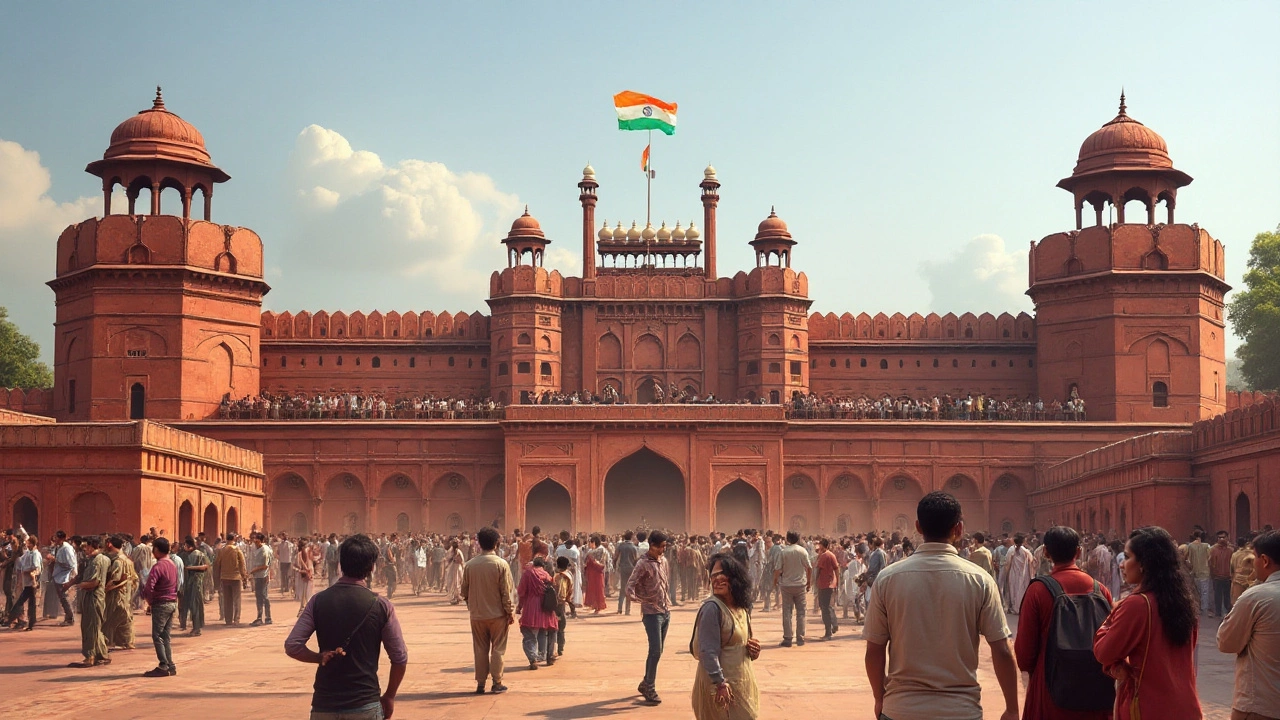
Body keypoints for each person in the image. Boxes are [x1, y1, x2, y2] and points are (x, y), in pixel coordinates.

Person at [863, 492, 1018, 720]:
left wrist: (879, 697)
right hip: (961, 710)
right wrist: (1012, 709)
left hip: (901, 709)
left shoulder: (888, 579)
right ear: (959, 529)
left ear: (918, 527)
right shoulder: (980, 580)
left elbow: (874, 650)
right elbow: (1002, 650)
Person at [285, 534, 408, 720]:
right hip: (365, 703)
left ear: (340, 565)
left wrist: (319, 657)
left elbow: (293, 645)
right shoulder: (381, 605)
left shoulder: (318, 601)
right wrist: (390, 696)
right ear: (372, 568)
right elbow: (400, 657)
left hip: (324, 705)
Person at [1094, 526, 1201, 720]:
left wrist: (1114, 613)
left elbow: (1103, 651)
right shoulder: (1183, 601)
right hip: (1185, 707)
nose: (1121, 564)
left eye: (1127, 557)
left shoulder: (1137, 604)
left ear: (1143, 564)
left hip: (1148, 708)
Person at [1014, 526, 1113, 720]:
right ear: (1078, 551)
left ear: (1046, 552)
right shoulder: (1100, 590)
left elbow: (1024, 654)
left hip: (1051, 689)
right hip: (1095, 692)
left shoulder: (1038, 591)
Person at [1217, 529, 1280, 720]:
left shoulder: (1257, 597)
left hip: (1262, 705)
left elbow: (1226, 642)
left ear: (1265, 560)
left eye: (1255, 559)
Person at [691, 552, 761, 720]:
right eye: (713, 575)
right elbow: (707, 651)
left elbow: (742, 641)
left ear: (735, 578)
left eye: (723, 574)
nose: (717, 579)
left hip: (741, 682)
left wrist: (753, 648)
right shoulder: (712, 608)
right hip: (720, 687)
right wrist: (720, 683)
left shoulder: (742, 608)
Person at [461, 527, 514, 695]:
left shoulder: (470, 565)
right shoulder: (501, 564)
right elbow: (506, 592)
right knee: (498, 648)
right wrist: (510, 611)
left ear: (479, 543)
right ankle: (497, 682)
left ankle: (481, 683)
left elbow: (464, 591)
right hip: (497, 614)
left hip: (477, 615)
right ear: (496, 543)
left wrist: (473, 606)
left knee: (480, 648)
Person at [627, 529, 672, 705]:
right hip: (652, 613)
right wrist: (641, 599)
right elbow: (630, 586)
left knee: (658, 651)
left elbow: (665, 582)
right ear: (652, 545)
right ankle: (650, 687)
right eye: (661, 547)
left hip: (665, 611)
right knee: (655, 650)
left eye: (665, 547)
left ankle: (646, 682)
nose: (663, 550)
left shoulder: (664, 561)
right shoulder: (642, 564)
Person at [71, 535, 111, 668]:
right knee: (95, 627)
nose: (85, 549)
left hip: (93, 597)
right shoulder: (104, 559)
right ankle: (102, 654)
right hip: (98, 597)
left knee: (89, 627)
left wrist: (81, 585)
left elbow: (94, 582)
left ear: (93, 546)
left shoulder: (96, 561)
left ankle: (90, 656)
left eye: (87, 546)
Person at [141, 537, 179, 677]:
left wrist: (149, 601)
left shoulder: (158, 566)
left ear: (157, 549)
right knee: (166, 636)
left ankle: (164, 665)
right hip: (172, 602)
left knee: (157, 635)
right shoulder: (172, 564)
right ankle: (170, 664)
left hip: (161, 603)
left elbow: (149, 587)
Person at [515, 556, 557, 670]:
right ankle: (543, 655)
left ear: (533, 564)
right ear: (543, 565)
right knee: (544, 630)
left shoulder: (528, 574)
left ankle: (532, 658)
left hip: (531, 605)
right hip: (545, 606)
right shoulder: (547, 575)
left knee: (528, 632)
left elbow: (521, 592)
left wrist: (519, 606)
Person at [774, 530, 812, 647]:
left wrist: (775, 581)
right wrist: (809, 582)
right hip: (800, 585)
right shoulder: (802, 551)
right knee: (801, 612)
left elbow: (778, 569)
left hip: (786, 585)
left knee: (787, 612)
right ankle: (800, 638)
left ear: (788, 539)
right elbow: (809, 568)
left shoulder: (783, 552)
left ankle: (788, 638)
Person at [102, 535, 137, 650]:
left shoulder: (118, 562)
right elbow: (135, 579)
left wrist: (104, 590)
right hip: (126, 595)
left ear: (110, 544)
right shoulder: (128, 560)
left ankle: (109, 641)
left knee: (111, 618)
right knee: (126, 618)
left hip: (117, 595)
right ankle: (127, 642)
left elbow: (115, 580)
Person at [9, 535, 41, 631]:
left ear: (33, 544)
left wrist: (26, 572)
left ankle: (11, 617)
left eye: (29, 543)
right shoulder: (29, 553)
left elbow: (36, 567)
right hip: (27, 582)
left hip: (31, 583)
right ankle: (30, 623)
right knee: (30, 603)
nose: (27, 544)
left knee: (22, 601)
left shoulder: (35, 554)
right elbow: (21, 560)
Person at [215, 532, 248, 625]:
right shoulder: (237, 550)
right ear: (234, 538)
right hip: (236, 577)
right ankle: (236, 619)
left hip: (224, 578)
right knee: (236, 599)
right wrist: (244, 577)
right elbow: (242, 564)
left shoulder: (222, 550)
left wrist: (218, 578)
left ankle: (228, 620)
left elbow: (217, 564)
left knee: (227, 600)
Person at [46, 530, 77, 626]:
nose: (55, 540)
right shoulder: (60, 547)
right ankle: (68, 617)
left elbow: (70, 564)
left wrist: (54, 559)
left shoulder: (66, 549)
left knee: (64, 597)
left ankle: (70, 618)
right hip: (59, 575)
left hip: (64, 576)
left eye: (57, 538)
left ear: (61, 538)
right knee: (62, 598)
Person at [180, 537, 209, 636]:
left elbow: (205, 566)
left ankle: (197, 628)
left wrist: (191, 568)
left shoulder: (199, 554)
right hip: (186, 584)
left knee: (195, 605)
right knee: (186, 605)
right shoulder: (183, 555)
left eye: (186, 545)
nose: (184, 547)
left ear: (190, 546)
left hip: (196, 583)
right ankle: (186, 625)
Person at [814, 537, 840, 640]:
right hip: (830, 584)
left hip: (824, 585)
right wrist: (837, 581)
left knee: (824, 609)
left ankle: (828, 632)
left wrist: (815, 582)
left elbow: (818, 570)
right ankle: (834, 623)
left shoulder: (823, 556)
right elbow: (836, 569)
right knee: (829, 607)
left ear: (821, 545)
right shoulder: (831, 555)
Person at [1004, 533, 1036, 614]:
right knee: (1022, 590)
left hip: (1013, 574)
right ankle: (1021, 607)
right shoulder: (1026, 551)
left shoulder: (1011, 550)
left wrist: (1006, 573)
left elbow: (1007, 563)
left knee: (1013, 590)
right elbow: (1032, 563)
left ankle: (1015, 607)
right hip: (1024, 574)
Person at [247, 532, 274, 626]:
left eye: (257, 540)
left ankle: (267, 617)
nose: (255, 541)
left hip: (263, 575)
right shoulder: (257, 548)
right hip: (258, 576)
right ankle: (260, 617)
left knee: (263, 596)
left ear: (261, 541)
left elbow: (265, 565)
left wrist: (253, 570)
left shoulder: (264, 550)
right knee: (259, 596)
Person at [1183, 530, 1212, 615]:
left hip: (1194, 571)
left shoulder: (1190, 546)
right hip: (1205, 571)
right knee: (1205, 592)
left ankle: (1197, 607)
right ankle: (1204, 609)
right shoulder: (1207, 546)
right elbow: (1210, 557)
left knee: (1196, 591)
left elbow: (1185, 557)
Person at [552, 555, 574, 660]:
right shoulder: (568, 574)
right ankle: (560, 648)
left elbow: (561, 593)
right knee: (561, 628)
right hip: (564, 603)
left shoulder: (560, 577)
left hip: (558, 605)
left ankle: (557, 649)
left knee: (556, 627)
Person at [1209, 531, 1235, 618]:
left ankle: (1228, 613)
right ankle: (1218, 613)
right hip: (1217, 577)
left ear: (1227, 538)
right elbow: (1210, 563)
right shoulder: (1213, 549)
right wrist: (1212, 574)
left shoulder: (1231, 550)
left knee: (1228, 596)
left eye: (1223, 537)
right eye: (1220, 537)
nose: (1221, 539)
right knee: (1217, 596)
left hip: (1228, 577)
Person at [615, 530, 638, 615]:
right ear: (631, 537)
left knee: (622, 588)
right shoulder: (634, 547)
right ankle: (627, 610)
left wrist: (615, 566)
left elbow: (615, 557)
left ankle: (619, 608)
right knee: (629, 589)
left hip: (623, 569)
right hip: (631, 569)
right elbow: (636, 559)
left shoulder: (621, 546)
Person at [583, 535, 608, 613]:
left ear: (593, 542)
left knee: (597, 589)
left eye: (590, 542)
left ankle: (597, 606)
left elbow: (586, 561)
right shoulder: (602, 550)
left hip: (595, 572)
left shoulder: (596, 551)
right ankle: (595, 605)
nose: (589, 544)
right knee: (595, 589)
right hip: (596, 572)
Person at [1231, 537, 1257, 605]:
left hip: (1237, 580)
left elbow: (1232, 568)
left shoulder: (1235, 555)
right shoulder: (1253, 554)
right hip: (1251, 580)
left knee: (1237, 602)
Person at [296, 537, 316, 615]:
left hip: (306, 574)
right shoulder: (301, 554)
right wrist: (307, 571)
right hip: (304, 574)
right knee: (306, 592)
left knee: (307, 592)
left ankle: (304, 609)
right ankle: (305, 609)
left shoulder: (306, 552)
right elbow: (302, 564)